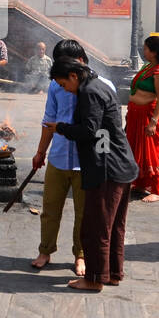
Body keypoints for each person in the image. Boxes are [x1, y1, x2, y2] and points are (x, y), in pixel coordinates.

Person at [49, 57, 140, 292]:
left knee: (95, 227)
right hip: (119, 163)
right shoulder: (100, 85)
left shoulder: (89, 92)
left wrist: (60, 128)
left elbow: (89, 130)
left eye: (63, 84)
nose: (64, 89)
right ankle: (113, 273)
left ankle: (95, 279)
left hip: (107, 168)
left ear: (73, 76)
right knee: (114, 226)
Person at [29, 40, 116, 276]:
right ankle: (45, 250)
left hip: (86, 162)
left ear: (78, 62)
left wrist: (103, 160)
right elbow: (49, 121)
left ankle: (81, 255)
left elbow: (109, 128)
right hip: (59, 156)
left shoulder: (103, 86)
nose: (61, 78)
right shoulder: (57, 87)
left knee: (84, 213)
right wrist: (40, 153)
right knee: (49, 209)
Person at [127, 34, 159, 203]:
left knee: (153, 152)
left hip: (150, 116)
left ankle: (156, 188)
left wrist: (153, 122)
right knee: (137, 149)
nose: (143, 50)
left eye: (146, 48)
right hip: (136, 115)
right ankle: (140, 183)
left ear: (153, 52)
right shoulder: (148, 67)